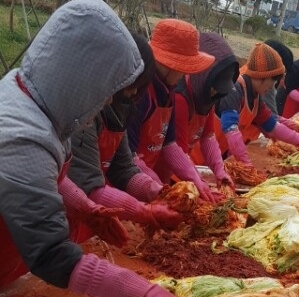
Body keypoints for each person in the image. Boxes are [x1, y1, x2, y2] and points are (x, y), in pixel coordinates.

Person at [0, 0, 201, 297]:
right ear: (81, 74)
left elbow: (43, 176)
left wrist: (85, 207)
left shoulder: (34, 98)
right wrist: (143, 292)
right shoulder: (21, 134)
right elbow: (51, 255)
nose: (109, 101)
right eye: (108, 89)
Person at [66, 33, 183, 238]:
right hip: (55, 215)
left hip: (91, 213)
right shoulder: (82, 113)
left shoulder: (122, 107)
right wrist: (144, 212)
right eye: (132, 84)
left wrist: (158, 193)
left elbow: (123, 168)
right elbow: (88, 185)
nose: (134, 92)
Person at [126, 19, 217, 202]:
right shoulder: (139, 93)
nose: (185, 74)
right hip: (129, 184)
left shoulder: (169, 89)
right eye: (183, 68)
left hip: (149, 182)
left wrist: (195, 179)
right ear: (169, 65)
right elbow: (129, 158)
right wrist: (163, 192)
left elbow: (169, 143)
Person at [215, 43, 299, 166]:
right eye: (272, 81)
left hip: (221, 154)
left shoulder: (256, 96)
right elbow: (231, 131)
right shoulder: (235, 89)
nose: (272, 87)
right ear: (262, 76)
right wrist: (245, 163)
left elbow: (273, 127)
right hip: (202, 159)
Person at [173, 32, 239, 191]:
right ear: (203, 77)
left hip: (188, 175)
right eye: (215, 87)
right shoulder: (180, 98)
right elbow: (178, 152)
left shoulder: (208, 97)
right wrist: (198, 182)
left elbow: (208, 136)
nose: (216, 93)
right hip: (170, 175)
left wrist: (219, 170)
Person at [263, 38, 294, 114]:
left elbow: (269, 115)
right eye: (282, 73)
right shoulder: (264, 85)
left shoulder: (268, 83)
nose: (283, 78)